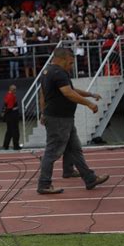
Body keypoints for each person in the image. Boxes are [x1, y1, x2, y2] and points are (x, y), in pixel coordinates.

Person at [37, 48, 109, 194]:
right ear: (62, 59)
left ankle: (89, 178)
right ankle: (44, 184)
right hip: (59, 119)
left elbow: (45, 94)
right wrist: (88, 103)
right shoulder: (58, 72)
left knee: (75, 149)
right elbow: (68, 93)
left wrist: (89, 94)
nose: (71, 66)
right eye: (70, 63)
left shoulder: (47, 72)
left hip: (63, 118)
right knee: (52, 151)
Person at [2, 84, 21, 150]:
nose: (15, 91)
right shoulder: (11, 96)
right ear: (10, 89)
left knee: (9, 131)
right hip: (12, 116)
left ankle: (5, 145)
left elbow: (5, 106)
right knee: (15, 131)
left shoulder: (8, 95)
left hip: (10, 116)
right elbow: (9, 107)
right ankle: (16, 146)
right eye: (14, 89)